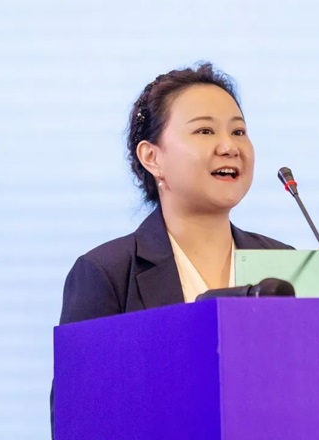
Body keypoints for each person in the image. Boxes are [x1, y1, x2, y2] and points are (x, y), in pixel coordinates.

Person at [51, 62, 292, 437]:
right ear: (152, 157)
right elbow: (82, 422)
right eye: (205, 131)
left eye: (239, 131)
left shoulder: (283, 264)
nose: (229, 146)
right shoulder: (107, 273)